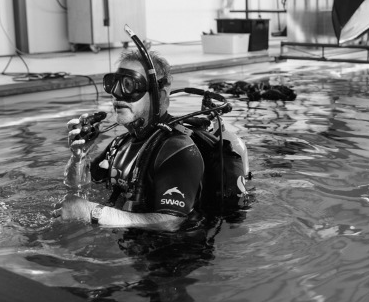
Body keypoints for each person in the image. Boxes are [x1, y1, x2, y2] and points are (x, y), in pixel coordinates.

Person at [55, 31, 248, 230]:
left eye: (130, 84)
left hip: (171, 257)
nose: (118, 95)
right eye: (114, 83)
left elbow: (172, 221)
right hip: (133, 248)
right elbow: (78, 187)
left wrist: (94, 213)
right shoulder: (120, 144)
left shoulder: (178, 149)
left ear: (161, 96)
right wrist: (79, 156)